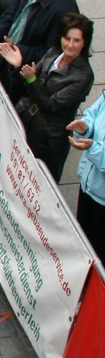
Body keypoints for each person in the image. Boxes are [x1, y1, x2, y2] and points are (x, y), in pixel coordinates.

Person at [17, 14, 95, 184]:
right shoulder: (54, 53)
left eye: (77, 40)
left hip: (48, 137)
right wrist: (20, 68)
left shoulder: (83, 76)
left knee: (38, 183)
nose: (70, 45)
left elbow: (49, 105)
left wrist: (31, 80)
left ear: (84, 43)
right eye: (67, 38)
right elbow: (30, 80)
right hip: (27, 120)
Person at [70, 91, 105, 262]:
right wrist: (85, 128)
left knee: (98, 258)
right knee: (83, 248)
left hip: (102, 201)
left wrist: (93, 148)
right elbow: (91, 114)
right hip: (89, 187)